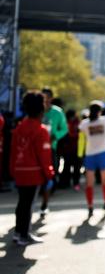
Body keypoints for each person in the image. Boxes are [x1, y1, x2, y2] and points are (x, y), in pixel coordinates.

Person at [10, 91, 54, 246]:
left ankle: (18, 232)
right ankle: (24, 235)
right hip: (34, 173)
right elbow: (44, 155)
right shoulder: (41, 130)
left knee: (22, 203)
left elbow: (13, 152)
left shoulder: (19, 128)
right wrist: (49, 174)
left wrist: (12, 170)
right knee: (28, 204)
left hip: (20, 171)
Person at [80, 101, 105, 216]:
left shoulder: (84, 123)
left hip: (90, 154)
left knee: (89, 183)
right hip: (103, 153)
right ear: (100, 111)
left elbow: (81, 130)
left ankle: (90, 206)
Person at [40, 87, 66, 214]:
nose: (45, 100)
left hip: (51, 149)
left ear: (51, 98)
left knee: (50, 175)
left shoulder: (58, 112)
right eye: (42, 97)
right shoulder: (36, 110)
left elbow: (64, 129)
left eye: (47, 97)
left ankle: (45, 204)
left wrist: (56, 136)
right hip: (35, 149)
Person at [58, 109, 82, 190]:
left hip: (76, 148)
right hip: (67, 149)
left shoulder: (77, 123)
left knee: (76, 167)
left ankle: (76, 183)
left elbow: (80, 134)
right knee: (67, 167)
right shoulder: (65, 123)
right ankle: (66, 182)